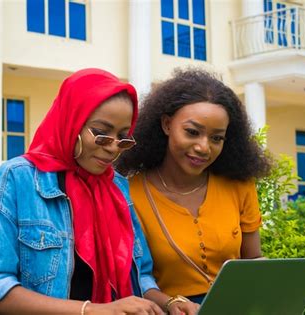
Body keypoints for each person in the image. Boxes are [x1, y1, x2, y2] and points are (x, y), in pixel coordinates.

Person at [0, 68, 198, 315]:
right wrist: (91, 310)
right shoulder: (16, 179)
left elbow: (139, 276)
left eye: (123, 138)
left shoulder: (117, 187)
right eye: (101, 134)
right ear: (72, 120)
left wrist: (169, 303)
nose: (113, 148)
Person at [116, 68, 271, 304]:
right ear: (167, 124)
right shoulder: (130, 193)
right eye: (192, 132)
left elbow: (253, 259)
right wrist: (172, 304)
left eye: (216, 138)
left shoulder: (239, 186)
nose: (203, 147)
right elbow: (136, 279)